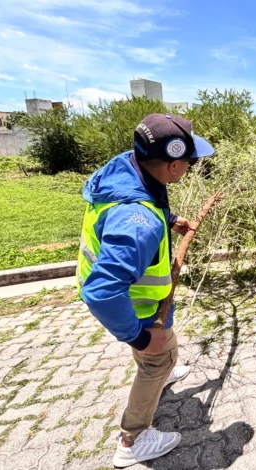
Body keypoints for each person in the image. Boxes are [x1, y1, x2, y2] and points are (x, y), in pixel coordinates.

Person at [76, 113, 215, 468]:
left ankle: (160, 372)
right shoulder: (138, 222)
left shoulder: (127, 168)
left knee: (162, 349)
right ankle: (133, 440)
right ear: (171, 165)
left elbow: (144, 198)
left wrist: (168, 219)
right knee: (160, 355)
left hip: (143, 297)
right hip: (135, 305)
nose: (189, 167)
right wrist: (139, 338)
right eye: (188, 161)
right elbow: (103, 292)